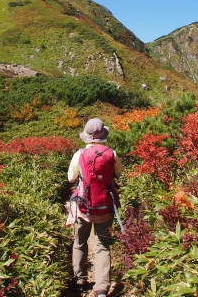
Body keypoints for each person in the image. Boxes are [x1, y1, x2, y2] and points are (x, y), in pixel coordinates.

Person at [67, 118, 122, 297]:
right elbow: (118, 173)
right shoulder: (111, 153)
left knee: (79, 242)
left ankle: (80, 280)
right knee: (102, 246)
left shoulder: (79, 154)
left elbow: (70, 178)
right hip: (105, 206)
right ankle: (102, 288)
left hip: (83, 207)